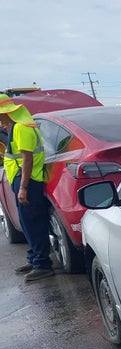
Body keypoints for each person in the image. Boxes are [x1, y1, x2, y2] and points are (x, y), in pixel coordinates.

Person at [0, 93, 53, 281]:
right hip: (24, 179)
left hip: (29, 180)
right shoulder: (16, 127)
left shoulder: (22, 128)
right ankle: (34, 258)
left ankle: (42, 264)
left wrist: (23, 187)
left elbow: (27, 159)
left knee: (33, 222)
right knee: (27, 222)